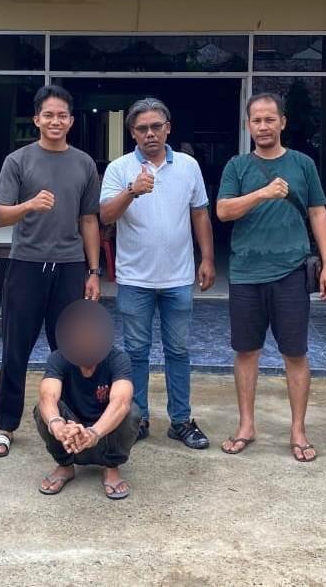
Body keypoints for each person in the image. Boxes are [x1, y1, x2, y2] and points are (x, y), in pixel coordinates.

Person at [216, 92, 326, 463]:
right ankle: (246, 425)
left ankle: (298, 430)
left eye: (270, 119)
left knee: (295, 352)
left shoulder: (302, 164)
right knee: (246, 351)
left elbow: (318, 213)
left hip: (291, 272)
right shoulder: (237, 166)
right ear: (248, 125)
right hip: (246, 272)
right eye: (257, 120)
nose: (263, 126)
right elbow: (223, 211)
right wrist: (263, 194)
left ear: (283, 122)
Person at [0, 84, 103, 459]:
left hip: (70, 266)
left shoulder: (84, 163)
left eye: (62, 115)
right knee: (15, 347)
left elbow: (89, 219)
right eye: (48, 114)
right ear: (36, 119)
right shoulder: (18, 160)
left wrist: (94, 270)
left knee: (70, 347)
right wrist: (29, 205)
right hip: (26, 264)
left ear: (71, 120)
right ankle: (6, 425)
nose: (56, 121)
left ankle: (71, 421)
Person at [100, 97, 215, 449]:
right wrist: (132, 190)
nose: (150, 133)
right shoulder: (119, 168)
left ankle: (181, 420)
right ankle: (137, 419)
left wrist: (208, 258)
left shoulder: (188, 166)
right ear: (132, 133)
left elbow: (200, 213)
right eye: (142, 128)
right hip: (135, 279)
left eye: (156, 126)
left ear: (168, 128)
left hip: (178, 278)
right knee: (136, 353)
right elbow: (105, 216)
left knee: (178, 351)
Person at [33, 299, 142, 500]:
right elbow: (48, 396)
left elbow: (121, 401)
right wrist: (58, 425)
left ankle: (111, 466)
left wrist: (94, 432)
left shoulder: (118, 359)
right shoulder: (58, 358)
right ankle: (65, 466)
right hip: (69, 435)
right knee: (43, 409)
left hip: (104, 433)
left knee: (131, 411)